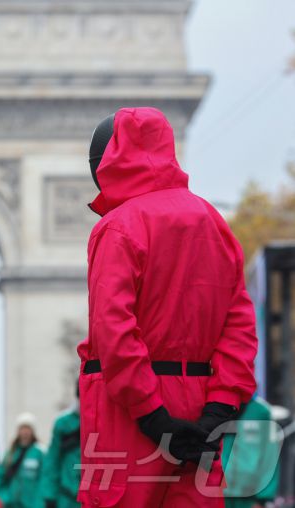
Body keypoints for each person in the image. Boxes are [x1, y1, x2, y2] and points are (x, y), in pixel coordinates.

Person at [77, 107, 258, 507]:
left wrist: (152, 415)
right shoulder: (215, 223)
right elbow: (240, 329)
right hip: (202, 409)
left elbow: (114, 329)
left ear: (107, 160)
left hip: (130, 412)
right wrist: (219, 410)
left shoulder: (118, 226)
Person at [222, 394, 280, 508]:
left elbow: (271, 456)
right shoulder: (219, 407)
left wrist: (263, 498)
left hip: (249, 496)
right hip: (218, 492)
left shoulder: (262, 411)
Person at [0, 413, 45, 508]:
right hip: (12, 504)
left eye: (28, 428)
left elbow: (44, 480)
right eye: (22, 428)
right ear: (18, 431)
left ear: (33, 431)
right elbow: (0, 477)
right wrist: (5, 497)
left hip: (33, 504)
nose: (25, 432)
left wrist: (39, 503)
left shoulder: (40, 453)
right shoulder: (10, 453)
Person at [41, 389, 80, 508]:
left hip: (99, 496)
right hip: (67, 496)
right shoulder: (63, 423)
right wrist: (50, 496)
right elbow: (52, 461)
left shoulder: (107, 419)